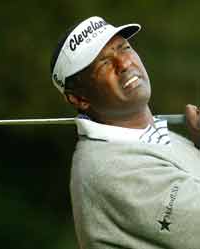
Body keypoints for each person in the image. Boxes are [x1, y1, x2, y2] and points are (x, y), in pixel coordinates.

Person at [50, 16, 200, 249]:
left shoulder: (166, 139)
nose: (124, 63)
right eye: (104, 63)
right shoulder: (109, 169)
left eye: (124, 48)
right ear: (79, 98)